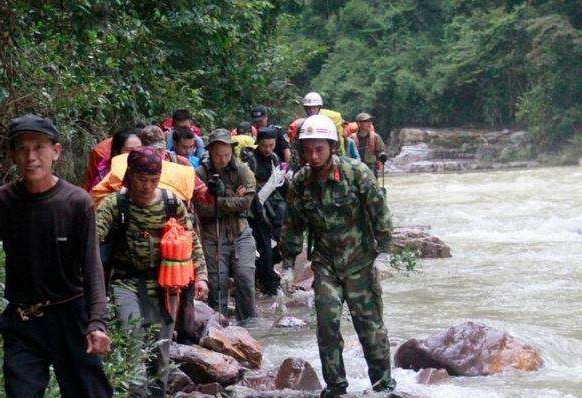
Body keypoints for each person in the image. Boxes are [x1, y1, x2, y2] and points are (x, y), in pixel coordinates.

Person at [279, 114, 397, 397]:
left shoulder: (356, 173)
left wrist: (383, 253)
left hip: (361, 262)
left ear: (332, 146)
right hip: (326, 264)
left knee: (369, 326)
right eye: (307, 149)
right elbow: (293, 225)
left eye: (319, 148)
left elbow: (379, 212)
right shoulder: (301, 183)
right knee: (327, 326)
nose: (313, 155)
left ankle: (383, 385)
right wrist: (287, 266)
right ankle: (335, 386)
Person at [0, 114, 112, 398]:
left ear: (56, 152)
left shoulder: (75, 202)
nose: (31, 156)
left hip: (70, 316)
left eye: (39, 147)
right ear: (13, 155)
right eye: (22, 149)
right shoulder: (5, 201)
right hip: (23, 319)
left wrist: (97, 322)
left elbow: (91, 267)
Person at [96, 147, 208, 398]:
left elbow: (192, 241)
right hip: (125, 282)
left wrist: (201, 276)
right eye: (140, 179)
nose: (146, 186)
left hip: (165, 286)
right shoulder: (116, 204)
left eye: (153, 180)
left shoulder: (171, 202)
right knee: (132, 342)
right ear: (129, 176)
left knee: (160, 352)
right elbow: (93, 236)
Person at [194, 129, 257, 321]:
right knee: (217, 283)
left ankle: (249, 324)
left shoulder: (242, 170)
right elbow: (200, 208)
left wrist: (218, 201)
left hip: (240, 232)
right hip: (212, 235)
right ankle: (218, 325)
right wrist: (232, 199)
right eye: (218, 155)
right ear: (210, 153)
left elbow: (246, 203)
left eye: (227, 155)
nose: (222, 159)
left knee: (245, 278)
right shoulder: (200, 173)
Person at [244, 126, 287, 296]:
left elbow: (280, 185)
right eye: (264, 146)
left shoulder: (275, 158)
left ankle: (266, 277)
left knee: (275, 246)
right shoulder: (250, 159)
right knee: (263, 248)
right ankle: (268, 283)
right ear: (258, 144)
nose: (268, 150)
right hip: (255, 210)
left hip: (274, 208)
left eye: (271, 145)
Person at [351, 113, 387, 178]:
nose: (369, 123)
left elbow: (380, 150)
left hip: (371, 168)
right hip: (356, 169)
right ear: (359, 123)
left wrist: (382, 155)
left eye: (370, 121)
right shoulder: (352, 138)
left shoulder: (375, 137)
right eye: (366, 121)